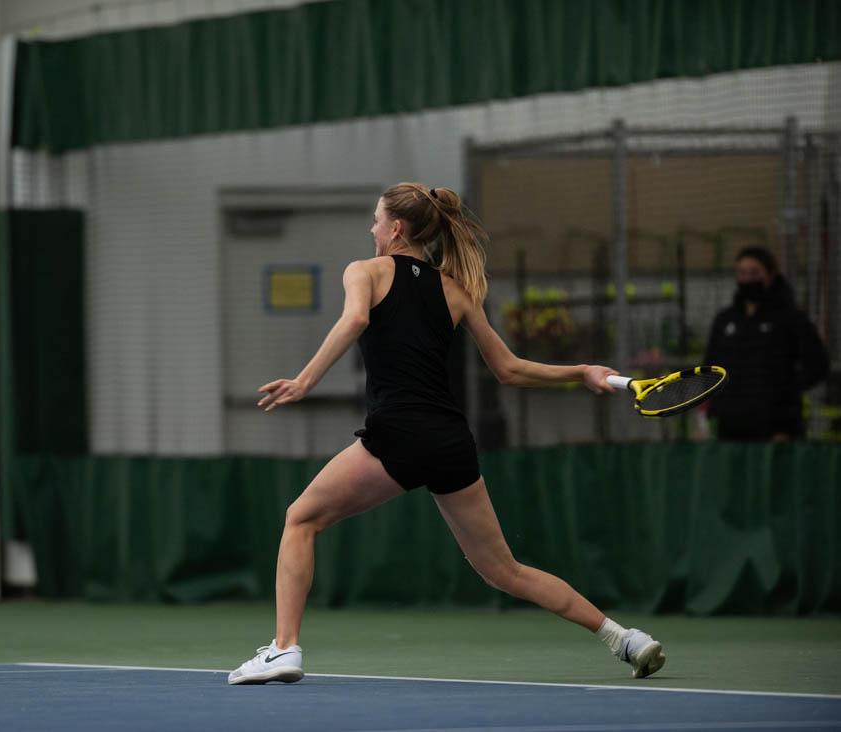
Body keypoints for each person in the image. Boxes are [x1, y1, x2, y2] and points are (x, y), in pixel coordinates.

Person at [228, 183, 665, 685]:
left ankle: (284, 649)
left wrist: (304, 381)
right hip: (450, 440)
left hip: (397, 434)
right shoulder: (456, 290)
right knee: (505, 571)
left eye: (375, 220)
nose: (371, 229)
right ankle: (623, 638)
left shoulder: (363, 272)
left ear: (396, 228)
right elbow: (510, 369)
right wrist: (582, 369)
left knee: (300, 520)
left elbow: (354, 319)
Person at [704, 247, 829, 441]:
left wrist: (785, 399)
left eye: (754, 272)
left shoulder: (790, 317)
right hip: (730, 426)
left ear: (770, 275)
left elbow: (817, 366)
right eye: (742, 273)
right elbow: (710, 367)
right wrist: (712, 411)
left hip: (775, 428)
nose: (747, 279)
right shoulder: (725, 319)